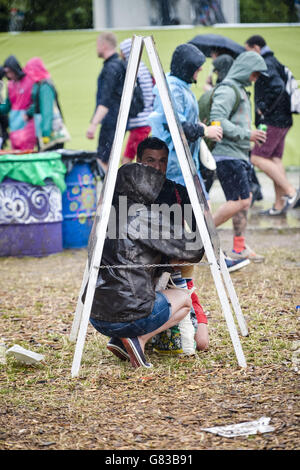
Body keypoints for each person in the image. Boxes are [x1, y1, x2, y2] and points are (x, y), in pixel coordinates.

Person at [88, 160, 205, 369]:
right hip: (129, 315)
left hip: (96, 315)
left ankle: (120, 340)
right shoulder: (145, 216)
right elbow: (193, 250)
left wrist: (164, 259)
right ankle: (138, 339)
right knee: (184, 300)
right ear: (145, 187)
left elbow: (124, 256)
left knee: (139, 293)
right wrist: (200, 223)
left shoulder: (107, 215)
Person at [136, 136, 209, 350]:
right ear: (138, 161)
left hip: (174, 277)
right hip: (139, 278)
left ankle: (144, 334)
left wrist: (182, 255)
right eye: (150, 160)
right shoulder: (128, 194)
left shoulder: (177, 192)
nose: (157, 167)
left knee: (201, 343)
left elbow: (199, 236)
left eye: (162, 161)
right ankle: (136, 335)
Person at [209, 51, 268, 262]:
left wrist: (251, 136)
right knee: (239, 201)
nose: (256, 78)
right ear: (245, 69)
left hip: (240, 154)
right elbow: (217, 119)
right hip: (227, 155)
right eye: (255, 73)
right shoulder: (228, 88)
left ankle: (239, 247)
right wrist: (247, 134)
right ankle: (197, 237)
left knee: (245, 200)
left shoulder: (241, 90)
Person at [148, 43, 222, 197]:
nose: (201, 69)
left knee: (194, 209)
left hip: (184, 163)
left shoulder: (180, 86)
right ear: (186, 67)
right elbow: (176, 125)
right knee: (189, 211)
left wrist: (197, 125)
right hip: (174, 164)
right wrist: (204, 130)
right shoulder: (173, 89)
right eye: (197, 66)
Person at [245, 35, 300, 215]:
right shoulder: (273, 61)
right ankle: (279, 206)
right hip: (283, 120)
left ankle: (292, 192)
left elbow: (277, 87)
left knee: (256, 157)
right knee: (275, 159)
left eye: (248, 50)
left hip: (273, 121)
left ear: (256, 48)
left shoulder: (266, 63)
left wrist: (263, 108)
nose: (248, 54)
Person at [86, 32, 126, 173]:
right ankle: (116, 195)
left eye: (98, 45)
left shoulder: (111, 68)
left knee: (103, 161)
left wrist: (93, 124)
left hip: (111, 120)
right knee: (110, 160)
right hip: (118, 120)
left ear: (103, 45)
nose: (97, 48)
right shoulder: (120, 64)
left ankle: (110, 195)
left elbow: (105, 99)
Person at [119, 38, 154, 165]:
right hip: (144, 121)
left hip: (140, 122)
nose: (120, 54)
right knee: (129, 157)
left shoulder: (133, 70)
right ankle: (125, 182)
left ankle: (128, 183)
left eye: (122, 50)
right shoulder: (142, 67)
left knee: (139, 160)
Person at [23, 57, 69, 151]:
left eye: (30, 72)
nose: (29, 76)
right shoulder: (39, 85)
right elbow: (37, 104)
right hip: (44, 131)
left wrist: (45, 134)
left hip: (50, 135)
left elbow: (47, 111)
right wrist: (29, 113)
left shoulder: (45, 87)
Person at [0, 55, 35, 150]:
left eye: (10, 72)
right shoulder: (10, 85)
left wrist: (29, 113)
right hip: (14, 123)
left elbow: (37, 101)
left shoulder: (30, 81)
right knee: (15, 151)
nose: (9, 75)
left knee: (26, 151)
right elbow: (7, 105)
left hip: (27, 122)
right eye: (6, 73)